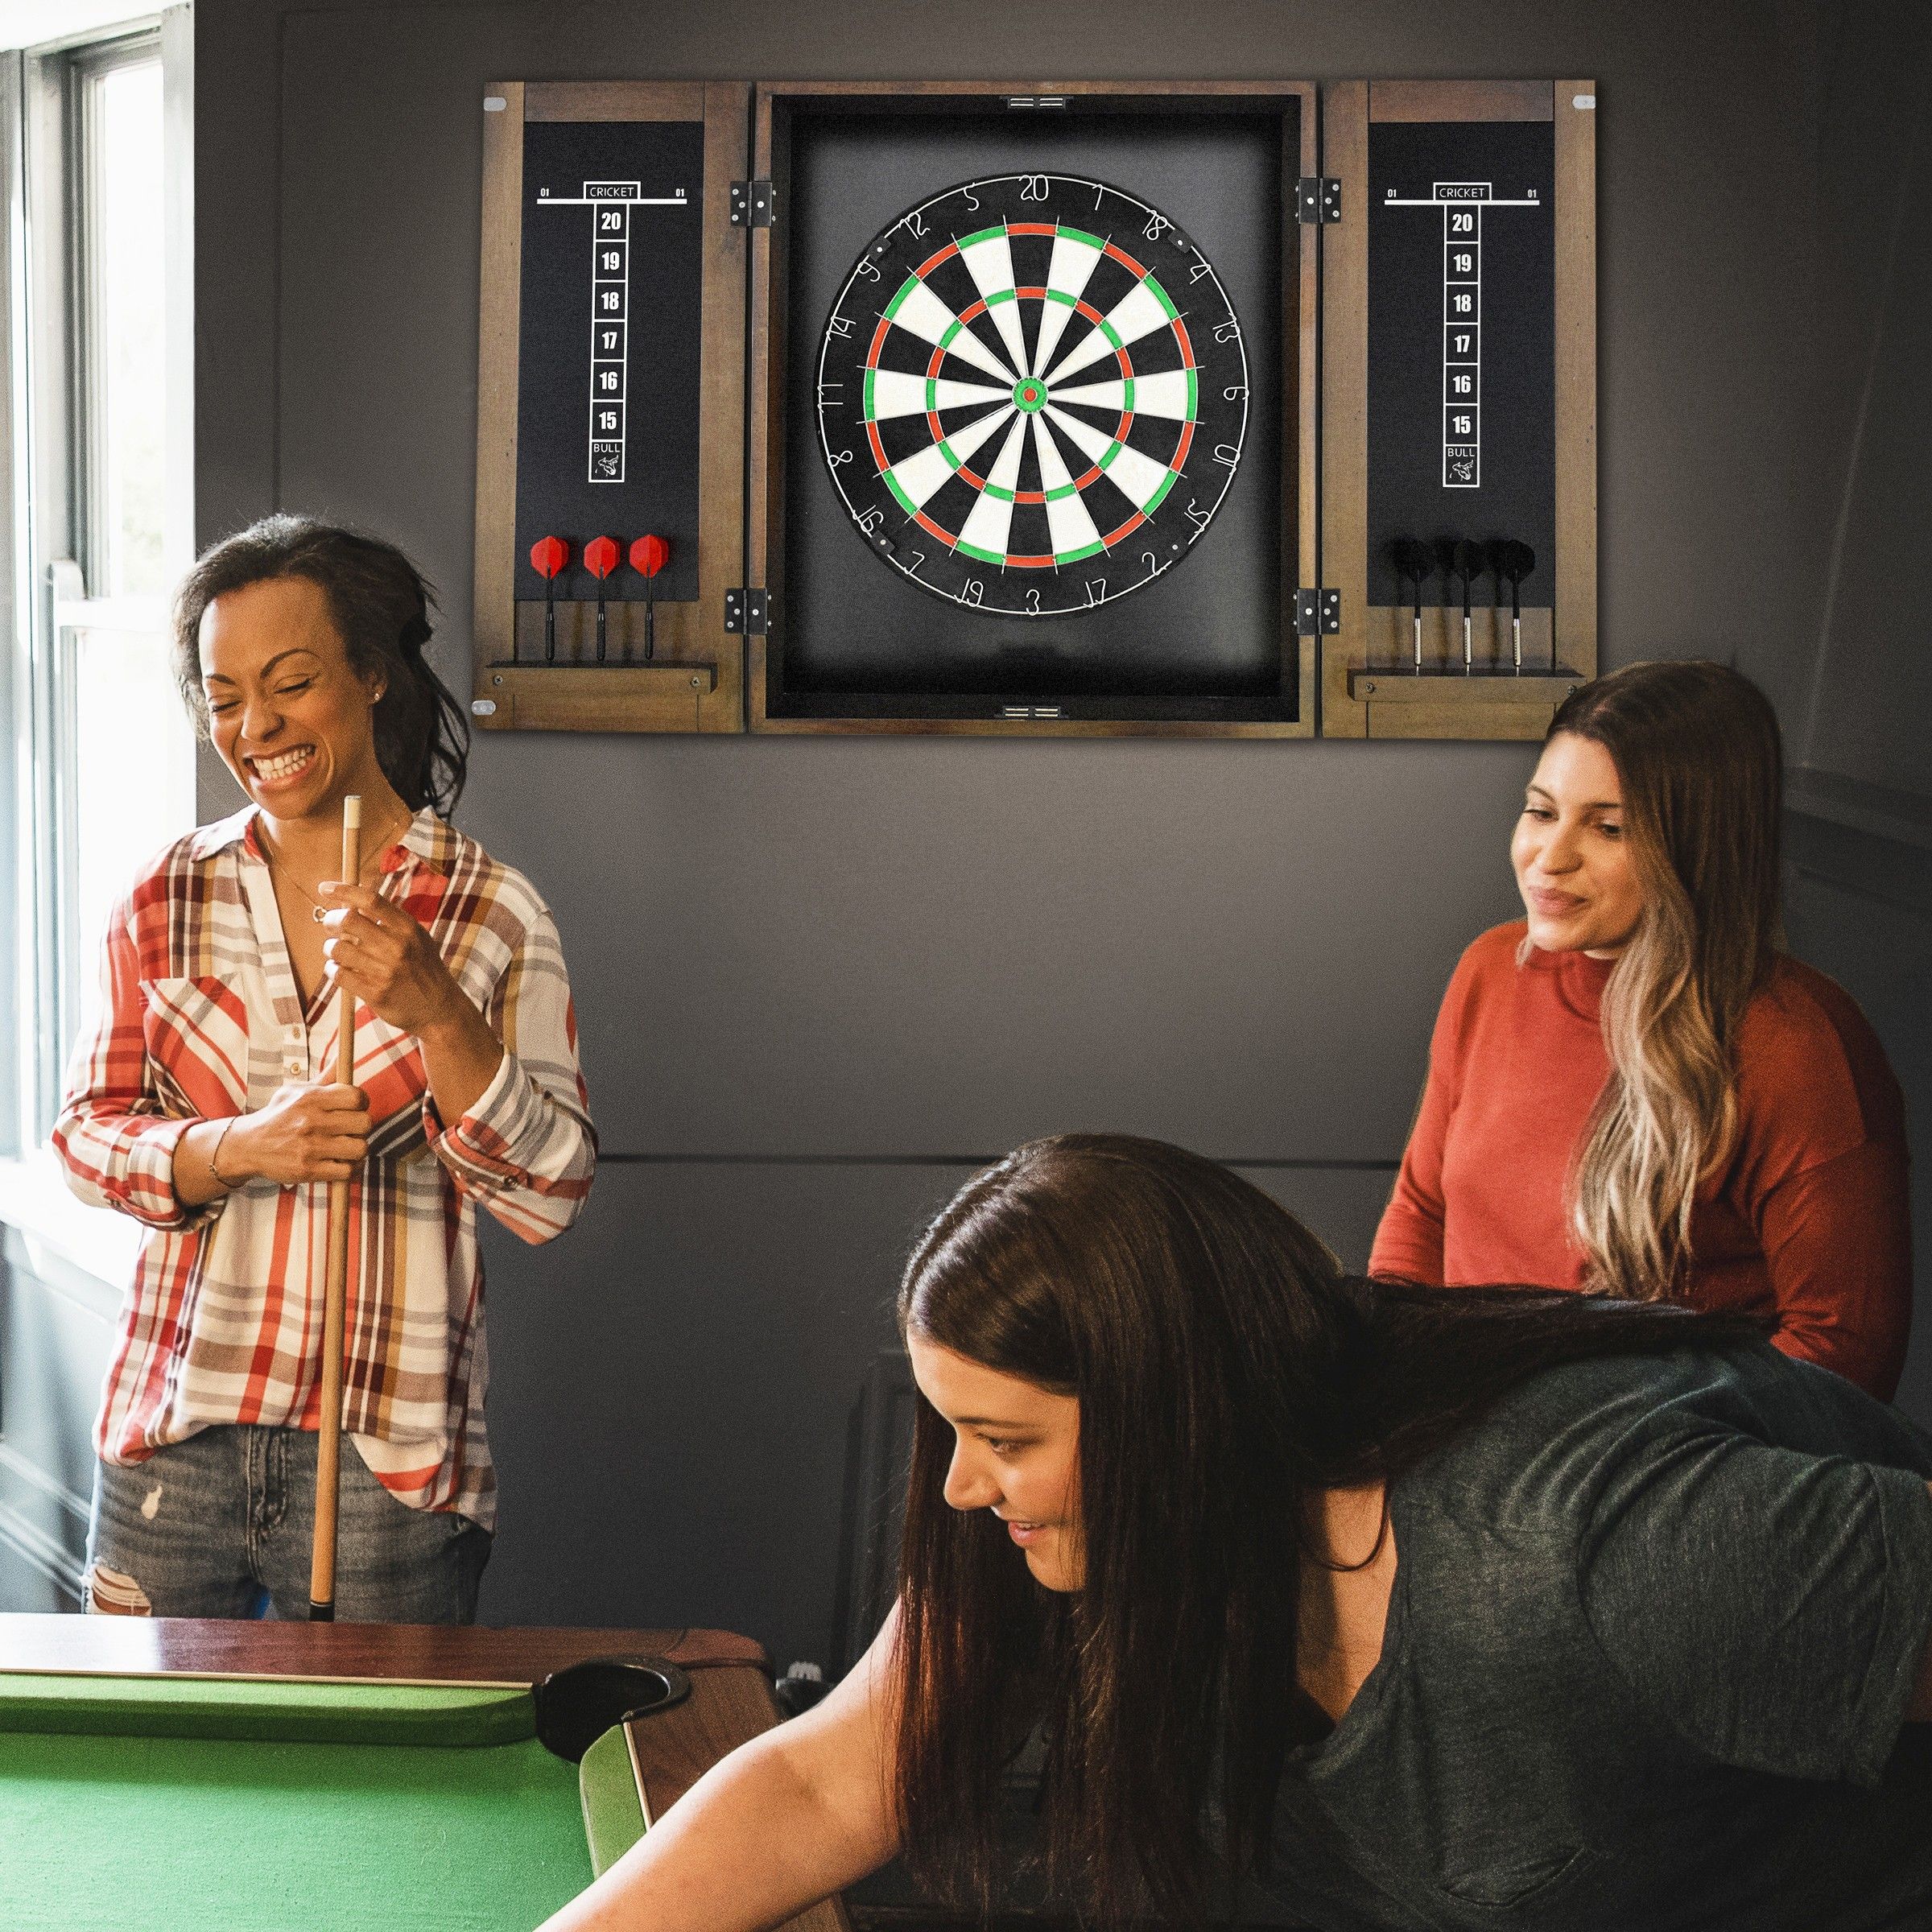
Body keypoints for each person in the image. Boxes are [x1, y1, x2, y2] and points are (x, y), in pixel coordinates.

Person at [537, 1134, 1932, 1932]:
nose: (961, 1489)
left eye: (1008, 1442)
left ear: (1176, 1423)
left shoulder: (1603, 1549)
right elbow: (828, 1786)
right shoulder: (1067, 1544)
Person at [55, 515, 597, 1621]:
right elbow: (84, 1139)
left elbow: (552, 1195)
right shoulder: (167, 894)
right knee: (154, 1773)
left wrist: (440, 1012)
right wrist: (227, 1149)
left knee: (377, 1780)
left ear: (373, 676)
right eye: (223, 698)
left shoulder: (491, 909)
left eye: (291, 682)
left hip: (388, 1455)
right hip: (175, 1436)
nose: (256, 726)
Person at [1371, 658, 1909, 1397]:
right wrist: (1391, 1381)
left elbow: (1845, 1348)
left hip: (1652, 1468)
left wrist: (1607, 1449)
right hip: (1463, 1423)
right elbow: (1421, 1212)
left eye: (1609, 827)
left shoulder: (1796, 1045)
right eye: (1541, 810)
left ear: (1697, 847)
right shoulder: (1489, 970)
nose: (1549, 860)